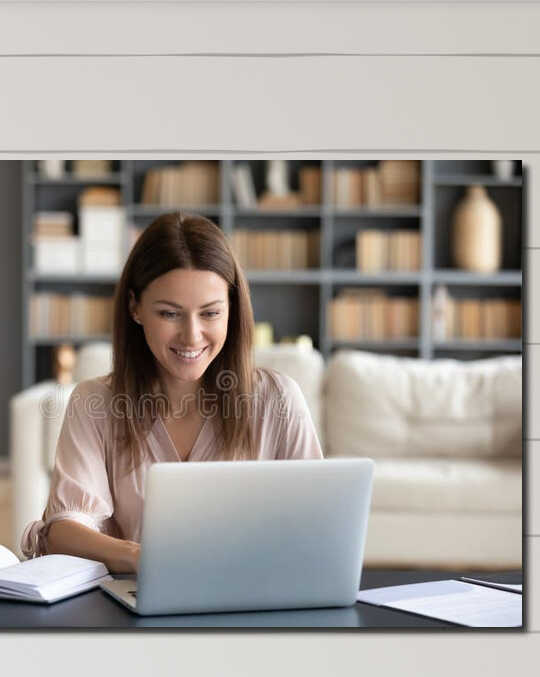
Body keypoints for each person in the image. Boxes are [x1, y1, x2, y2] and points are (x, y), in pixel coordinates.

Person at [20, 212, 323, 573]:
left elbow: (318, 526)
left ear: (232, 310)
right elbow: (65, 530)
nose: (191, 336)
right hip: (134, 606)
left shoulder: (278, 399)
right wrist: (142, 558)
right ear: (135, 308)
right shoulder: (94, 403)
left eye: (210, 314)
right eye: (169, 314)